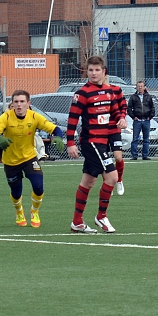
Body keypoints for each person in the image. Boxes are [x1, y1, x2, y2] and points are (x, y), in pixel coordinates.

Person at [0, 90, 65, 227]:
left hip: (29, 157)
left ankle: (34, 211)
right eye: (16, 102)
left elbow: (55, 129)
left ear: (28, 103)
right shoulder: (6, 117)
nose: (19, 105)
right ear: (13, 104)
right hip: (11, 160)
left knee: (39, 186)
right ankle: (19, 211)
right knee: (16, 192)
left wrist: (58, 137)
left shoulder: (34, 117)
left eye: (22, 102)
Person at [66, 56, 125, 234]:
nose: (93, 73)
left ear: (103, 72)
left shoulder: (109, 91)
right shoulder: (82, 93)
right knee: (113, 177)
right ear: (87, 72)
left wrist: (121, 119)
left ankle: (77, 222)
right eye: (90, 70)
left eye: (97, 70)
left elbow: (115, 113)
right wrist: (70, 143)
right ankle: (101, 216)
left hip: (103, 142)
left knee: (88, 181)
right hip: (91, 142)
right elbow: (72, 119)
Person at [106, 72, 129, 195]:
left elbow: (123, 106)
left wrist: (122, 118)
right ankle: (108, 184)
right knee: (104, 160)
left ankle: (119, 181)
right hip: (100, 131)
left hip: (114, 129)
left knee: (118, 157)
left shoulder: (116, 89)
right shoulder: (92, 92)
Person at [128, 80, 154, 161]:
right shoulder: (133, 97)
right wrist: (133, 116)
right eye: (138, 86)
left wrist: (150, 116)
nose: (140, 88)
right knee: (135, 138)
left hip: (146, 120)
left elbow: (152, 107)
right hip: (137, 121)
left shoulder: (148, 97)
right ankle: (134, 155)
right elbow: (129, 108)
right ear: (136, 87)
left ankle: (145, 155)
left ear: (144, 87)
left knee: (146, 139)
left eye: (141, 86)